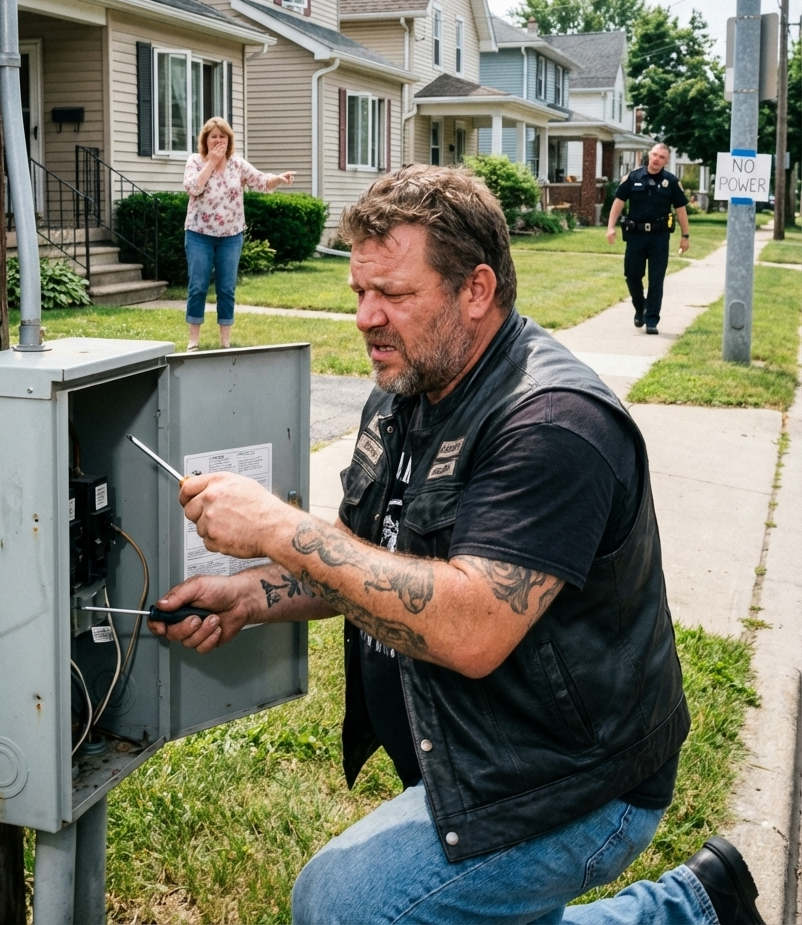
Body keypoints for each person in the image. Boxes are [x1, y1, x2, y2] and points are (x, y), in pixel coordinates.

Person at [150, 166, 764, 925]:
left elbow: (470, 627)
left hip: (579, 775)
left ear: (476, 290)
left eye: (395, 296)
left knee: (345, 906)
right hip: (488, 747)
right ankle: (698, 908)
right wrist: (249, 594)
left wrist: (280, 527)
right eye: (359, 295)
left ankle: (681, 912)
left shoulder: (551, 424)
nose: (366, 319)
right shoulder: (408, 386)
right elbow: (364, 555)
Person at [182, 117, 295, 351]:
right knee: (198, 286)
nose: (218, 140)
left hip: (231, 236)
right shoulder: (195, 161)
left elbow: (261, 181)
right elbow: (193, 188)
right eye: (213, 136)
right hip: (199, 233)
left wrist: (278, 179)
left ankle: (226, 341)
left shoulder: (237, 164)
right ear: (205, 139)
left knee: (226, 288)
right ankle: (193, 340)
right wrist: (211, 163)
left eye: (222, 136)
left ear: (229, 139)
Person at [606, 143, 690, 333]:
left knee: (656, 279)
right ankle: (640, 307)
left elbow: (681, 210)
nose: (657, 159)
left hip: (659, 238)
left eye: (661, 157)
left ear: (666, 160)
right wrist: (611, 227)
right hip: (636, 235)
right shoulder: (633, 177)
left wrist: (685, 235)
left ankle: (652, 320)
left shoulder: (671, 182)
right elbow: (618, 202)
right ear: (649, 155)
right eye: (654, 155)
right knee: (632, 275)